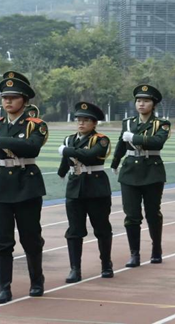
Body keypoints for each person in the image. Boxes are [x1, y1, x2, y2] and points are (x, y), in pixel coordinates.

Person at [0, 76, 47, 303]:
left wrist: (1, 141)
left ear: (25, 100)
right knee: (1, 239)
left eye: (13, 97)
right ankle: (4, 287)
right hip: (0, 184)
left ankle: (36, 280)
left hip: (26, 183)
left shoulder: (35, 125)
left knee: (30, 237)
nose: (8, 102)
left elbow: (32, 147)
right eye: (5, 98)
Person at [111, 84, 170, 267]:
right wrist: (115, 162)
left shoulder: (161, 124)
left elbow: (157, 142)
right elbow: (121, 143)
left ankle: (156, 249)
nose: (141, 104)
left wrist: (134, 138)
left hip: (152, 171)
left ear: (153, 104)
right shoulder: (128, 123)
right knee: (131, 215)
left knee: (152, 213)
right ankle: (134, 254)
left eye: (145, 101)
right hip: (130, 171)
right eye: (138, 101)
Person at [57, 102, 113, 283]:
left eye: (86, 120)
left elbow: (89, 156)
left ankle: (106, 264)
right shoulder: (69, 139)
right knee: (74, 230)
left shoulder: (100, 140)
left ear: (94, 123)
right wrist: (61, 172)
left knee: (102, 228)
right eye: (79, 120)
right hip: (75, 188)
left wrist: (67, 151)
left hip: (96, 187)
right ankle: (75, 268)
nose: (81, 123)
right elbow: (66, 161)